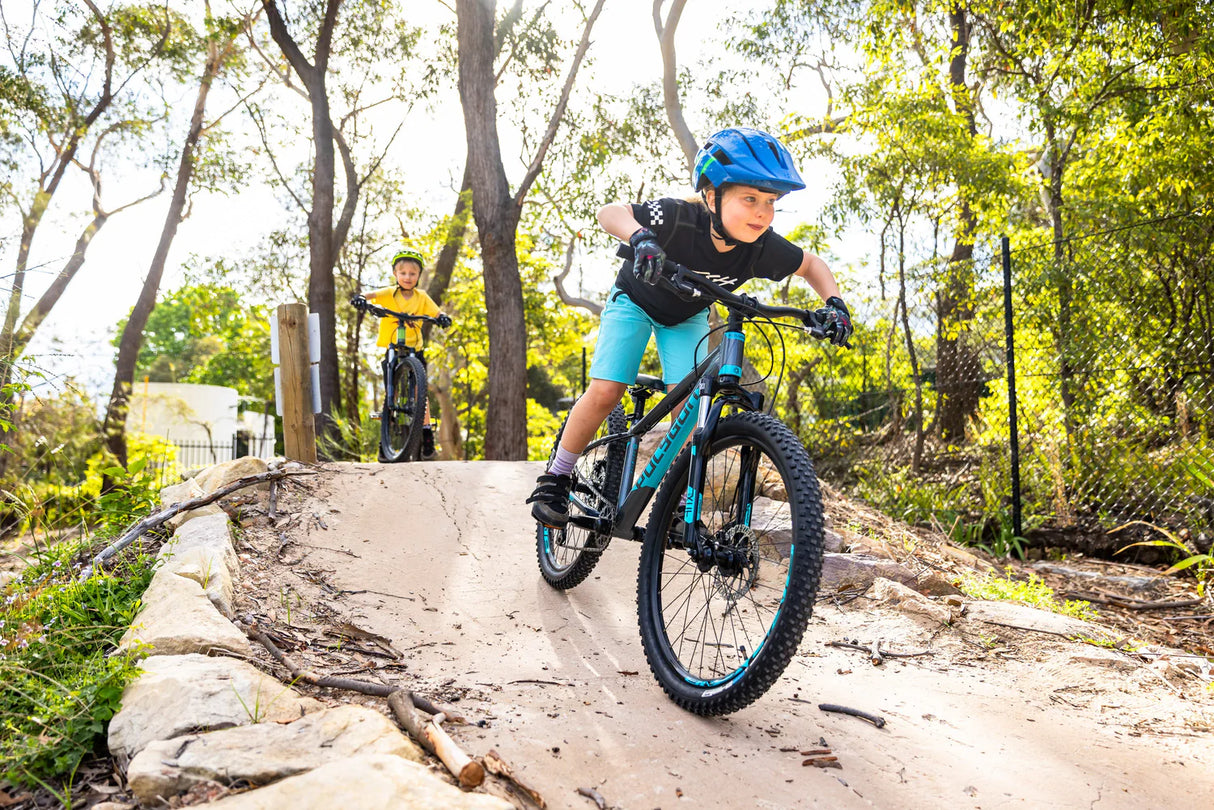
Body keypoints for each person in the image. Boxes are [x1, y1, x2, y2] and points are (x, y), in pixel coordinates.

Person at [527, 127, 853, 527]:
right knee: (607, 390)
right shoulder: (679, 217)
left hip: (686, 316)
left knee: (688, 411)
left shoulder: (762, 246)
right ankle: (556, 477)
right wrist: (642, 238)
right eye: (750, 199)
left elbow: (811, 265)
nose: (762, 213)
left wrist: (834, 304)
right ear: (712, 196)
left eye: (770, 202)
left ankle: (681, 499)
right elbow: (610, 212)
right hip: (634, 300)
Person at [352, 247, 452, 460]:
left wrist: (443, 317)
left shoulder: (422, 297)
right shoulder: (388, 293)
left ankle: (426, 438)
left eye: (412, 273)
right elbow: (369, 295)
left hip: (414, 349)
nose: (408, 277)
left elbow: (436, 312)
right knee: (392, 391)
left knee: (420, 393)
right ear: (396, 274)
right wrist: (361, 298)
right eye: (403, 273)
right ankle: (384, 440)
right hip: (392, 348)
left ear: (418, 276)